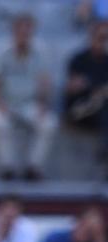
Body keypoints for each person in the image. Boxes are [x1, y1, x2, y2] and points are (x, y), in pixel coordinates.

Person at [0, 12, 57, 181]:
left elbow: (45, 81)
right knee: (0, 122)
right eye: (21, 31)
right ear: (13, 30)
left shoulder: (41, 50)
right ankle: (6, 167)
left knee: (49, 123)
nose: (25, 35)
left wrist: (42, 104)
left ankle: (33, 167)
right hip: (3, 101)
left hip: (29, 103)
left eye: (28, 31)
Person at [65, 20, 108, 176]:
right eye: (100, 37)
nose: (102, 41)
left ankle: (105, 153)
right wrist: (97, 89)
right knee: (101, 104)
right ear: (91, 36)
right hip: (78, 111)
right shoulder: (78, 60)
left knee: (103, 106)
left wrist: (95, 88)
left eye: (105, 38)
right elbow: (72, 88)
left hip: (100, 112)